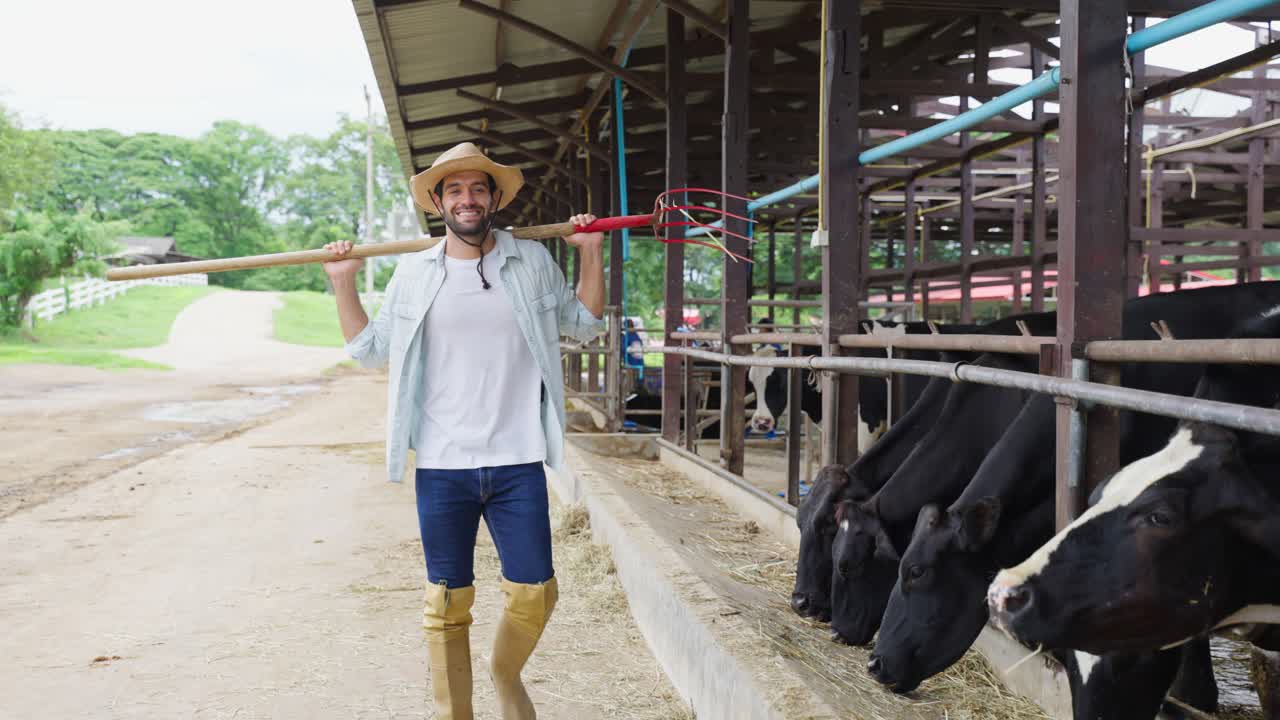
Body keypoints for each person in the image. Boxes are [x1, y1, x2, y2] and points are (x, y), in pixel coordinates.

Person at [321, 141, 605, 720]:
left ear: (495, 198)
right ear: (438, 203)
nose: (467, 199)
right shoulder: (413, 272)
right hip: (443, 465)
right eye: (454, 190)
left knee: (535, 591)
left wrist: (590, 253)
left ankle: (505, 676)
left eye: (478, 188)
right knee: (446, 603)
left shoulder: (529, 263)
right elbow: (369, 352)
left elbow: (585, 328)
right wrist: (342, 282)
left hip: (518, 458)